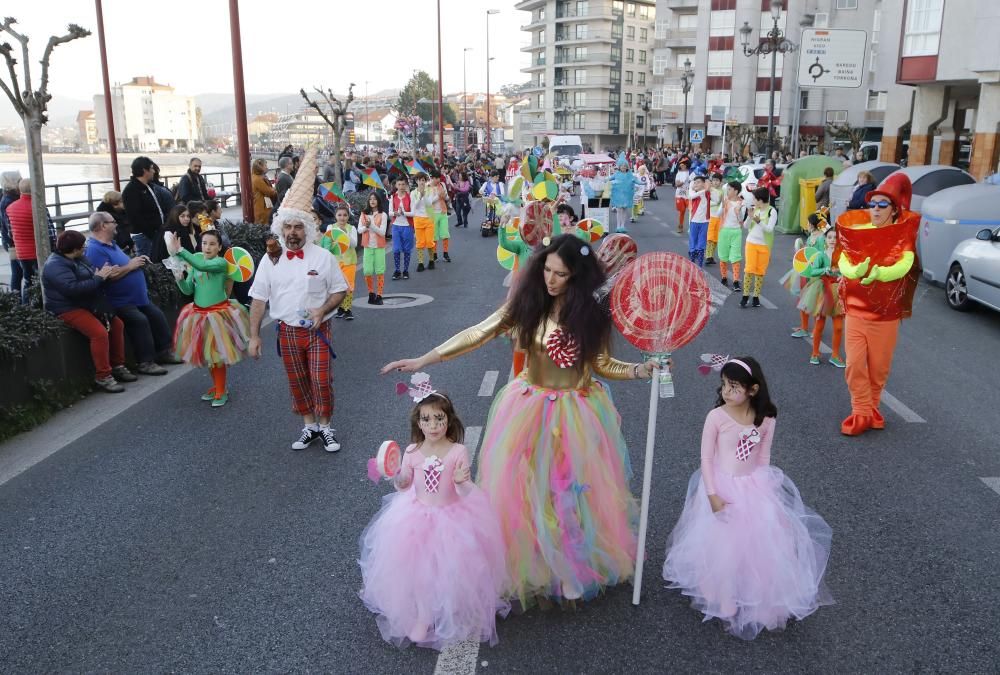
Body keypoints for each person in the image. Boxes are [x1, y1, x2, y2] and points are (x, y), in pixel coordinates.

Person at [382, 235, 660, 607]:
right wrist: (423, 360)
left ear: (576, 277)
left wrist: (642, 370)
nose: (550, 279)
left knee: (569, 491)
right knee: (526, 489)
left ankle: (568, 566)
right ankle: (527, 559)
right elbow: (478, 332)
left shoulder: (592, 315)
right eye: (546, 269)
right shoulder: (528, 305)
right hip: (529, 408)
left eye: (560, 274)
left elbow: (602, 365)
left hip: (577, 411)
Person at [662, 356, 833, 641]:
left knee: (757, 542)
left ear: (752, 390)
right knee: (723, 542)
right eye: (724, 385)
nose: (727, 392)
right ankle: (722, 591)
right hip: (722, 486)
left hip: (753, 485)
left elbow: (763, 455)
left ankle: (755, 591)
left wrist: (766, 487)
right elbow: (706, 457)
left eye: (734, 387)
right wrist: (712, 494)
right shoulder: (716, 417)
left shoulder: (766, 418)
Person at [358, 386, 509, 650]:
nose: (433, 425)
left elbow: (463, 491)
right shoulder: (413, 451)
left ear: (449, 420)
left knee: (451, 568)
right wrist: (397, 477)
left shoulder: (457, 451)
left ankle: (453, 607)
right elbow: (405, 484)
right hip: (416, 517)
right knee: (419, 570)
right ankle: (424, 615)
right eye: (426, 419)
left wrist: (462, 482)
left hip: (452, 517)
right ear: (418, 422)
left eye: (439, 418)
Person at [247, 148, 349, 453]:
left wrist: (323, 309)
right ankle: (309, 426)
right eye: (288, 226)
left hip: (318, 330)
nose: (292, 232)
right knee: (298, 380)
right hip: (287, 330)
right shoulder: (271, 259)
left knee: (320, 380)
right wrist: (253, 336)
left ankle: (327, 427)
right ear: (281, 228)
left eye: (298, 226)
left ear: (309, 228)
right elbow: (258, 298)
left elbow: (340, 290)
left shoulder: (324, 256)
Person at [836, 173, 920, 436]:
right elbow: (841, 259)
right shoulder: (858, 231)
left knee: (879, 367)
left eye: (883, 205)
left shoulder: (901, 235)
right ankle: (860, 410)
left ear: (894, 210)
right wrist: (853, 270)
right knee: (854, 363)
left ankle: (871, 408)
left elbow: (905, 264)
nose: (875, 209)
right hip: (857, 310)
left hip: (885, 315)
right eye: (873, 204)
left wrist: (880, 273)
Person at [84, 212, 180, 375]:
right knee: (139, 321)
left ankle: (164, 352)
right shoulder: (95, 250)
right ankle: (145, 361)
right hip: (119, 300)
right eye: (112, 222)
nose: (116, 224)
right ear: (103, 226)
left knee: (157, 315)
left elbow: (123, 264)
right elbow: (108, 275)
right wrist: (131, 266)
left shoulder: (111, 244)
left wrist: (136, 260)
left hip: (137, 297)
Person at [41, 229, 136, 393]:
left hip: (87, 302)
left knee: (117, 324)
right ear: (74, 248)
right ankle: (103, 376)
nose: (85, 247)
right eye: (82, 246)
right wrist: (99, 278)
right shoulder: (55, 265)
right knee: (99, 333)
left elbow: (90, 275)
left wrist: (103, 274)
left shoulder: (79, 258)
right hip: (67, 307)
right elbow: (72, 290)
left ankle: (118, 365)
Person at [166, 229, 250, 407]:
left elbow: (203, 266)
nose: (207, 247)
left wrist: (180, 251)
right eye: (204, 243)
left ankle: (221, 390)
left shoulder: (220, 263)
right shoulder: (196, 263)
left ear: (219, 247)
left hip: (218, 315)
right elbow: (188, 290)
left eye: (212, 244)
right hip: (199, 315)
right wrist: (180, 278)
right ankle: (217, 386)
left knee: (217, 355)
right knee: (209, 355)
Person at [799, 224, 845, 368]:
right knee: (819, 324)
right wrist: (825, 269)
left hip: (838, 292)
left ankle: (835, 355)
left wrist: (842, 274)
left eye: (835, 238)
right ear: (825, 240)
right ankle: (815, 352)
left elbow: (848, 271)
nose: (832, 240)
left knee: (838, 327)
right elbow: (812, 271)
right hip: (823, 291)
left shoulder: (843, 256)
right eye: (830, 237)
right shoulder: (821, 255)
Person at [786, 211, 827, 339]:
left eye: (808, 222)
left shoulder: (821, 238)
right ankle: (804, 327)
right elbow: (807, 252)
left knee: (814, 303)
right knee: (803, 301)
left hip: (815, 274)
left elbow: (821, 255)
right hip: (806, 272)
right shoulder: (811, 236)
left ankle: (816, 330)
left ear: (813, 224)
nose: (807, 224)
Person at [122, 156, 167, 258]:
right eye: (151, 168)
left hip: (155, 232)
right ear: (144, 170)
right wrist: (152, 234)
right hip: (144, 236)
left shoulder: (148, 186)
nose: (154, 171)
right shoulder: (131, 190)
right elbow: (135, 217)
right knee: (147, 264)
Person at [740, 187, 776, 308]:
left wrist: (758, 220)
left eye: (755, 198)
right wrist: (750, 217)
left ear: (761, 200)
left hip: (764, 245)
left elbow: (769, 229)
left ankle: (756, 297)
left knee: (760, 271)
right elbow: (745, 226)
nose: (753, 200)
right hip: (751, 243)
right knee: (749, 269)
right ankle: (745, 296)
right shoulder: (754, 209)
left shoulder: (772, 211)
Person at [5, 177, 39, 303]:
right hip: (36, 252)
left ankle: (26, 307)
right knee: (41, 282)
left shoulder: (10, 208)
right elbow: (50, 233)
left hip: (21, 253)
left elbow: (10, 233)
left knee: (28, 281)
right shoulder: (37, 208)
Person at [322, 205, 358, 321]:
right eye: (339, 215)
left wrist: (345, 234)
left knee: (349, 285)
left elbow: (354, 244)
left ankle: (347, 309)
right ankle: (340, 308)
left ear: (348, 216)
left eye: (345, 215)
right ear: (335, 216)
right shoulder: (330, 227)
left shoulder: (351, 228)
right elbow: (327, 243)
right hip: (335, 262)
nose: (342, 218)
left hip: (349, 261)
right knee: (337, 286)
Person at [358, 192, 388, 305]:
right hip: (367, 246)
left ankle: (379, 295)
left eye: (374, 199)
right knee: (367, 271)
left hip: (379, 246)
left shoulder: (383, 215)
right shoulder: (364, 214)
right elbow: (359, 230)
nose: (372, 201)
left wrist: (372, 225)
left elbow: (382, 232)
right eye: (370, 199)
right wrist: (366, 226)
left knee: (380, 270)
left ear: (378, 201)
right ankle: (371, 293)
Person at [716, 181, 746, 292]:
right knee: (723, 256)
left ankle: (736, 281)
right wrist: (723, 207)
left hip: (736, 232)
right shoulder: (725, 201)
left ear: (736, 191)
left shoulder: (741, 203)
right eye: (727, 189)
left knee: (735, 257)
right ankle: (724, 278)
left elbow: (741, 220)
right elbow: (718, 215)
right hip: (724, 231)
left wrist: (738, 212)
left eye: (729, 189)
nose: (727, 191)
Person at [389, 176, 415, 280]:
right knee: (396, 249)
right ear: (396, 185)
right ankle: (397, 270)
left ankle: (405, 270)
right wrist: (395, 213)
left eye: (403, 184)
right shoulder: (393, 197)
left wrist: (404, 213)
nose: (401, 187)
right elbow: (389, 212)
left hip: (407, 226)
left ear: (406, 185)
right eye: (399, 184)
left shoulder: (410, 197)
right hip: (396, 226)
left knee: (407, 250)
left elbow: (413, 213)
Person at [1, 171, 23, 295]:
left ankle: (17, 298)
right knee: (18, 273)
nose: (21, 180)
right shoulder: (9, 200)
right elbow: (9, 226)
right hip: (14, 243)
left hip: (11, 241)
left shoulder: (9, 197)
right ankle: (17, 298)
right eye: (19, 179)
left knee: (18, 272)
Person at [609, 157, 642, 233]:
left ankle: (622, 226)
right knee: (619, 210)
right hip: (618, 195)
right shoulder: (616, 174)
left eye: (625, 165)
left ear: (627, 167)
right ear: (619, 167)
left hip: (626, 195)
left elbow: (636, 180)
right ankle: (618, 226)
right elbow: (609, 179)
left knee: (624, 210)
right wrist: (603, 180)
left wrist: (642, 183)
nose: (623, 167)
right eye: (622, 165)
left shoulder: (630, 175)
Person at [95, 190, 134, 255]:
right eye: (122, 201)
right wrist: (130, 243)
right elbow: (120, 233)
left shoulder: (120, 212)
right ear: (115, 204)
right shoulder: (108, 218)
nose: (125, 202)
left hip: (123, 245)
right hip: (115, 247)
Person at [410, 174, 435, 272]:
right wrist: (420, 195)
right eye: (420, 180)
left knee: (429, 241)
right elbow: (414, 206)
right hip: (418, 219)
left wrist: (424, 195)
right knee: (420, 242)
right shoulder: (413, 193)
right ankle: (420, 262)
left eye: (423, 180)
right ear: (416, 181)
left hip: (428, 218)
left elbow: (429, 204)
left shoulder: (430, 191)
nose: (422, 182)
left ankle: (431, 260)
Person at [686, 174, 710, 267]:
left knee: (701, 243)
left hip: (704, 222)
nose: (696, 184)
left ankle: (700, 266)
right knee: (693, 242)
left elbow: (716, 200)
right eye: (695, 182)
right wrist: (704, 190)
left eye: (698, 182)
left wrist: (707, 188)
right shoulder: (693, 191)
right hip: (694, 221)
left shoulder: (708, 193)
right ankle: (692, 263)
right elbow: (691, 196)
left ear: (704, 184)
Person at [428, 172, 451, 263]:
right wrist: (438, 196)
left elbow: (446, 198)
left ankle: (445, 253)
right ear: (432, 178)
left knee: (445, 233)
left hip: (442, 212)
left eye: (439, 178)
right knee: (434, 235)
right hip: (432, 213)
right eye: (437, 178)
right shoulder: (427, 186)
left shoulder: (442, 185)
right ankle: (434, 254)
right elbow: (429, 202)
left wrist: (445, 196)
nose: (438, 180)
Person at [704, 173, 724, 265]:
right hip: (711, 216)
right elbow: (707, 202)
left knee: (716, 238)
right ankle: (708, 256)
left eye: (717, 181)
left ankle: (711, 255)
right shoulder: (709, 190)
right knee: (710, 237)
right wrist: (715, 203)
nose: (715, 182)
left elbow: (722, 204)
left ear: (721, 182)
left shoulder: (722, 191)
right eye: (714, 180)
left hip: (719, 217)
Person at [251, 158, 277, 225]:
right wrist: (275, 189)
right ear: (260, 167)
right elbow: (269, 192)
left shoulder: (259, 177)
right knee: (264, 225)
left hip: (263, 205)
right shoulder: (258, 179)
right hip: (262, 207)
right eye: (265, 166)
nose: (267, 167)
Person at [674, 160, 691, 234]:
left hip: (688, 193)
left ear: (686, 165)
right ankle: (680, 226)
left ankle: (692, 227)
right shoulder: (679, 172)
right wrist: (679, 183)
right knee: (682, 211)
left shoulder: (690, 172)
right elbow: (677, 183)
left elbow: (681, 183)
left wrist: (680, 184)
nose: (681, 166)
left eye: (683, 164)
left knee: (691, 211)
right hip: (680, 194)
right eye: (680, 164)